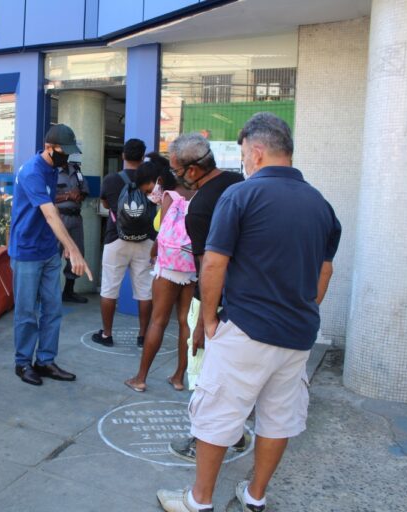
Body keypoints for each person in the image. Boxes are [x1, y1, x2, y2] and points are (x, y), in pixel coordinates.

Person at [157, 113, 341, 512]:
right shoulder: (321, 205)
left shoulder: (241, 196)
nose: (243, 162)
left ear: (257, 152)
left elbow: (214, 263)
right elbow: (324, 271)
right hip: (297, 335)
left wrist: (207, 322)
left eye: (243, 153)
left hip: (245, 328)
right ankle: (255, 496)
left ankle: (199, 500)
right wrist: (303, 310)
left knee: (218, 414)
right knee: (278, 418)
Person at [165, 133, 246, 462]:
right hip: (243, 297)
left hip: (214, 298)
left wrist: (202, 322)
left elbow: (206, 268)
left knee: (202, 375)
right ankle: (236, 434)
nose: (176, 177)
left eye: (176, 171)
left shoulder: (198, 209)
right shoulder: (238, 183)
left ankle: (202, 440)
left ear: (194, 170)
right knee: (231, 375)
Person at [9, 124, 92, 386]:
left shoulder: (52, 169)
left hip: (47, 250)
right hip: (26, 251)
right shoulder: (33, 171)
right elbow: (49, 213)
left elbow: (51, 210)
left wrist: (62, 245)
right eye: (62, 151)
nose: (66, 157)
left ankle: (45, 360)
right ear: (48, 147)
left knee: (53, 309)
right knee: (26, 312)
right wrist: (74, 249)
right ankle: (23, 363)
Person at [124, 162, 196, 392]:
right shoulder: (197, 193)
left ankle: (140, 377)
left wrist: (153, 252)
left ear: (158, 179)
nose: (150, 194)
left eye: (148, 189)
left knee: (158, 320)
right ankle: (178, 377)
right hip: (192, 263)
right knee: (186, 321)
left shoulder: (169, 195)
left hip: (169, 265)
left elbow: (164, 233)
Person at [94, 138, 155, 348]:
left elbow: (105, 202)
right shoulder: (151, 179)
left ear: (123, 156)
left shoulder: (111, 180)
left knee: (110, 287)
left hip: (115, 239)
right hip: (146, 240)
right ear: (142, 157)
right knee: (145, 290)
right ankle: (143, 335)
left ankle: (106, 335)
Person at [55, 158, 90, 303]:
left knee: (77, 253)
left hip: (75, 217)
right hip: (59, 217)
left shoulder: (76, 172)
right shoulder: (51, 172)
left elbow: (85, 191)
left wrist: (79, 195)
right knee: (53, 255)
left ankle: (69, 291)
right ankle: (48, 293)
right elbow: (46, 197)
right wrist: (68, 195)